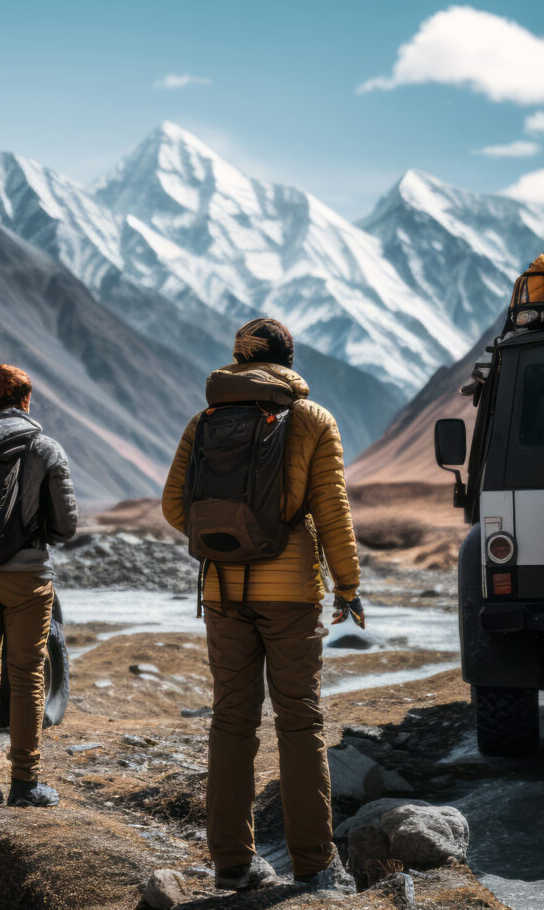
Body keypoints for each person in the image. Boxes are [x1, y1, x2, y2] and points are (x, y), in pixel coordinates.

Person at [162, 318, 363, 890]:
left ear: (237, 361)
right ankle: (314, 865)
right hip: (292, 593)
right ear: (288, 362)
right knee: (299, 720)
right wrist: (348, 586)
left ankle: (231, 864)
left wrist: (226, 538)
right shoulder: (312, 419)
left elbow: (174, 506)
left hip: (222, 591)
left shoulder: (203, 420)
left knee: (232, 720)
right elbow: (332, 510)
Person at [0, 364, 77, 807]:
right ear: (26, 400)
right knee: (26, 678)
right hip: (25, 577)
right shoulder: (43, 448)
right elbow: (66, 526)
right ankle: (24, 783)